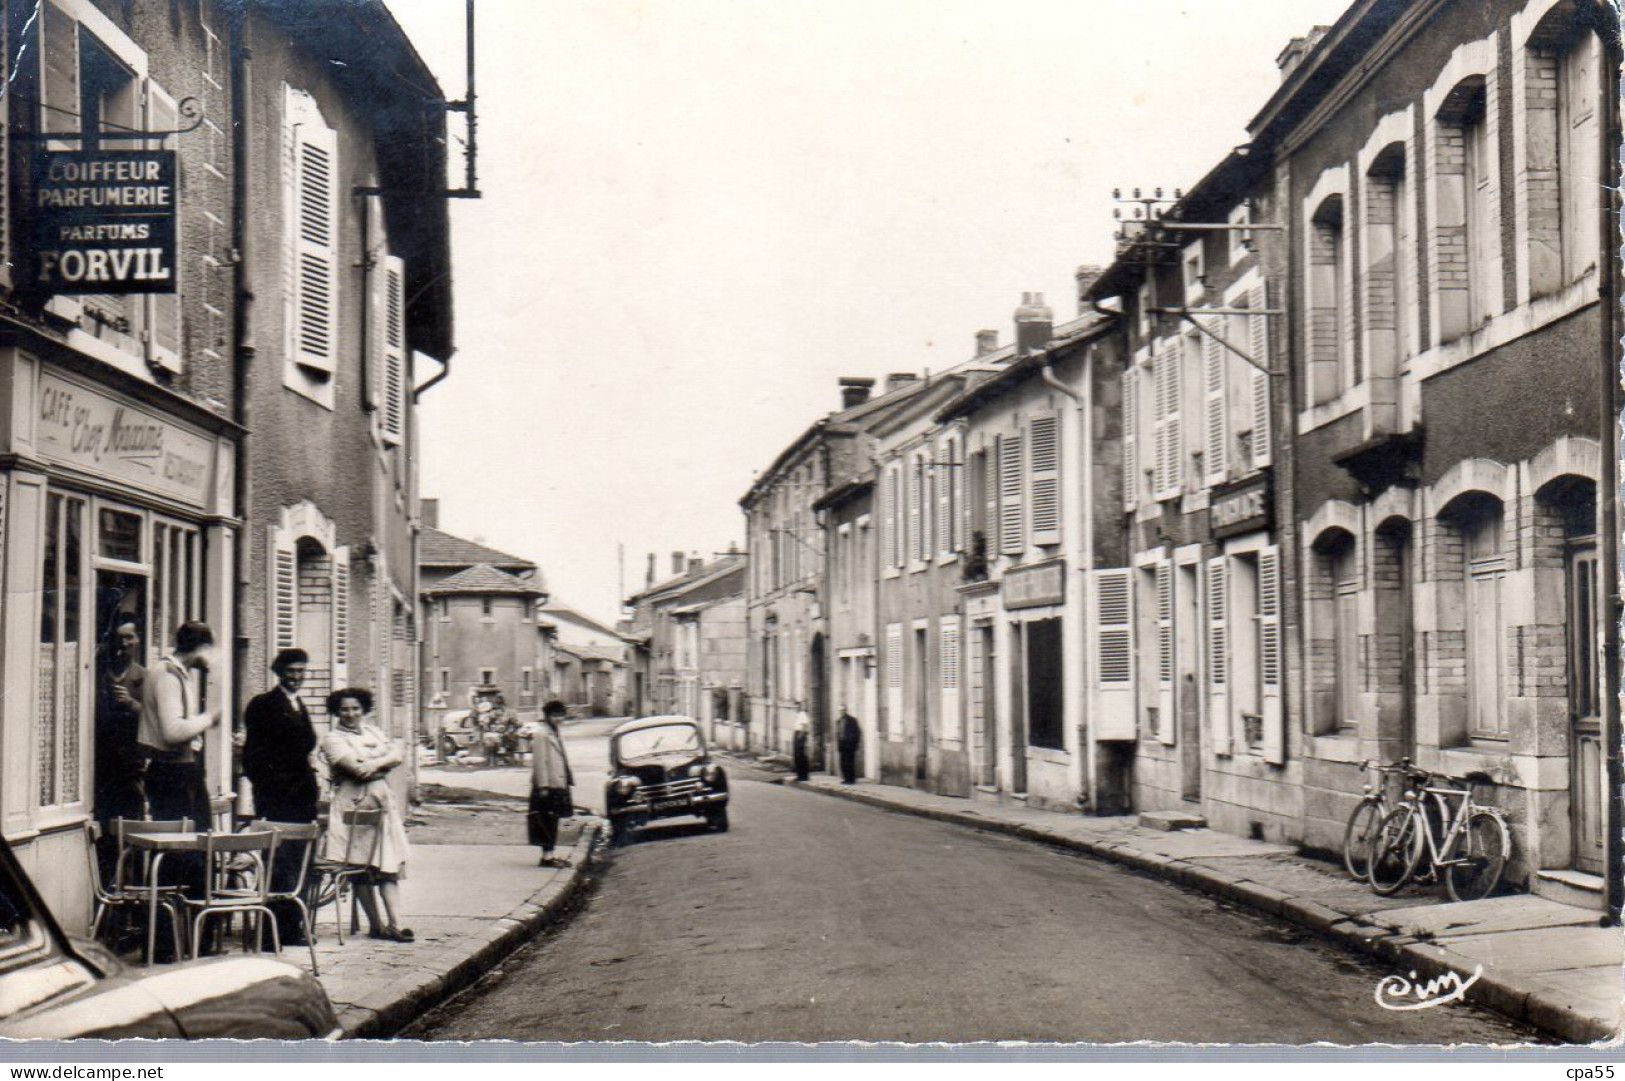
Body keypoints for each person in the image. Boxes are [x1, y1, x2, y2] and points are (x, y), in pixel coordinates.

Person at [320, 688, 413, 943]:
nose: (351, 714)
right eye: (345, 709)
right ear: (336, 712)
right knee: (359, 866)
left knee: (388, 865)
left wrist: (372, 764)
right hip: (353, 806)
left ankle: (397, 924)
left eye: (355, 709)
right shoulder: (332, 739)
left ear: (364, 710)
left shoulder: (374, 732)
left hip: (382, 805)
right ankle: (376, 925)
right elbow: (356, 770)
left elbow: (398, 754)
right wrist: (381, 764)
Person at [242, 648, 319, 946]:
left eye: (301, 672)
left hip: (301, 799)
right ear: (279, 671)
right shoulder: (263, 705)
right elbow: (253, 756)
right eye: (291, 671)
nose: (296, 677)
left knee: (298, 863)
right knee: (277, 862)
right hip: (276, 799)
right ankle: (271, 931)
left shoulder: (298, 704)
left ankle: (291, 927)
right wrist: (273, 787)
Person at [138, 621, 222, 827]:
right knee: (186, 846)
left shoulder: (173, 673)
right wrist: (209, 718)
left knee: (192, 843)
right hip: (174, 774)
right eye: (212, 650)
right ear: (202, 648)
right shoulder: (168, 675)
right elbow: (173, 732)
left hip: (175, 770)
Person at [524, 701, 574, 867]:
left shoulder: (554, 732)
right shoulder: (541, 734)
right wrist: (543, 786)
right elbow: (540, 762)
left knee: (553, 819)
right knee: (546, 820)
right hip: (547, 786)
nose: (559, 719)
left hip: (557, 783)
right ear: (547, 716)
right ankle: (546, 857)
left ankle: (550, 854)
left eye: (561, 715)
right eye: (555, 715)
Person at [836, 706, 861, 785]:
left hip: (850, 746)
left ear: (846, 710)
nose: (842, 712)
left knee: (850, 763)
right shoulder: (838, 721)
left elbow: (857, 732)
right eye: (840, 711)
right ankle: (846, 778)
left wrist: (854, 743)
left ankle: (851, 779)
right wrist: (839, 745)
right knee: (843, 763)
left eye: (843, 710)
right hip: (842, 745)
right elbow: (838, 734)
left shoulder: (852, 720)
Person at [791, 709, 812, 782]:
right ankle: (800, 775)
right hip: (798, 733)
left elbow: (804, 725)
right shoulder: (798, 714)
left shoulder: (803, 713)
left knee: (800, 755)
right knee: (797, 755)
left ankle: (803, 775)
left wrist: (800, 736)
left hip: (800, 734)